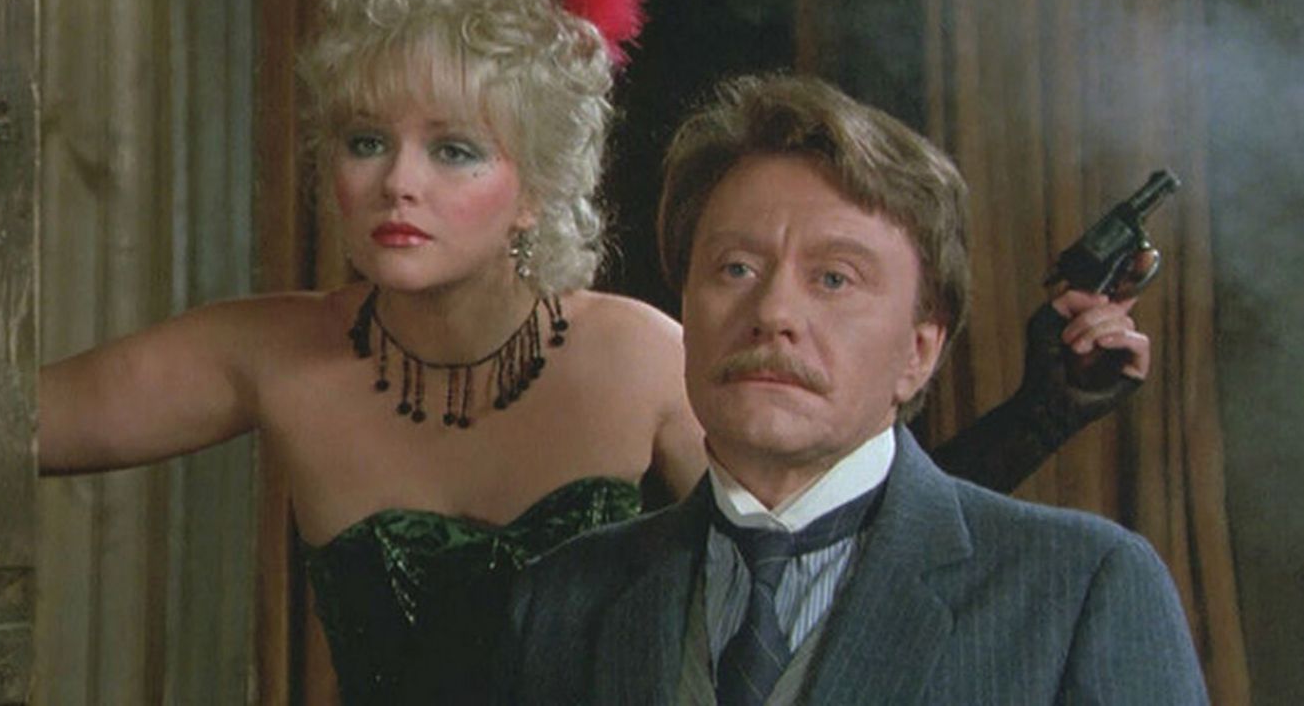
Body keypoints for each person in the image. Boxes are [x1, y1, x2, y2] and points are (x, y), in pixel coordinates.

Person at [39, 0, 1148, 706]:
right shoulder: (266, 348)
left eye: (454, 149)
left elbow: (845, 559)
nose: (396, 183)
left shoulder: (644, 357)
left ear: (535, 182)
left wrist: (1036, 413)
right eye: (365, 140)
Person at [493, 74, 1206, 705]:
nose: (773, 311)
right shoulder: (562, 601)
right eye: (736, 268)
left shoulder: (1078, 589)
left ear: (919, 351)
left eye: (834, 278)